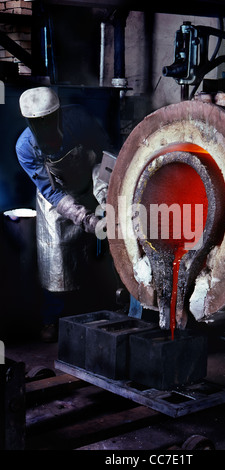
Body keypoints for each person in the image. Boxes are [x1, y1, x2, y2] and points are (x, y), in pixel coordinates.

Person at [16, 86, 114, 342]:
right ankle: (53, 318)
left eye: (49, 121)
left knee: (96, 257)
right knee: (57, 265)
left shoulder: (80, 120)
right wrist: (86, 219)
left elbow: (104, 155)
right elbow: (50, 190)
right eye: (38, 124)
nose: (46, 129)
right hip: (58, 201)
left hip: (92, 185)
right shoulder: (25, 148)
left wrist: (104, 195)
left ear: (58, 115)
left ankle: (92, 315)